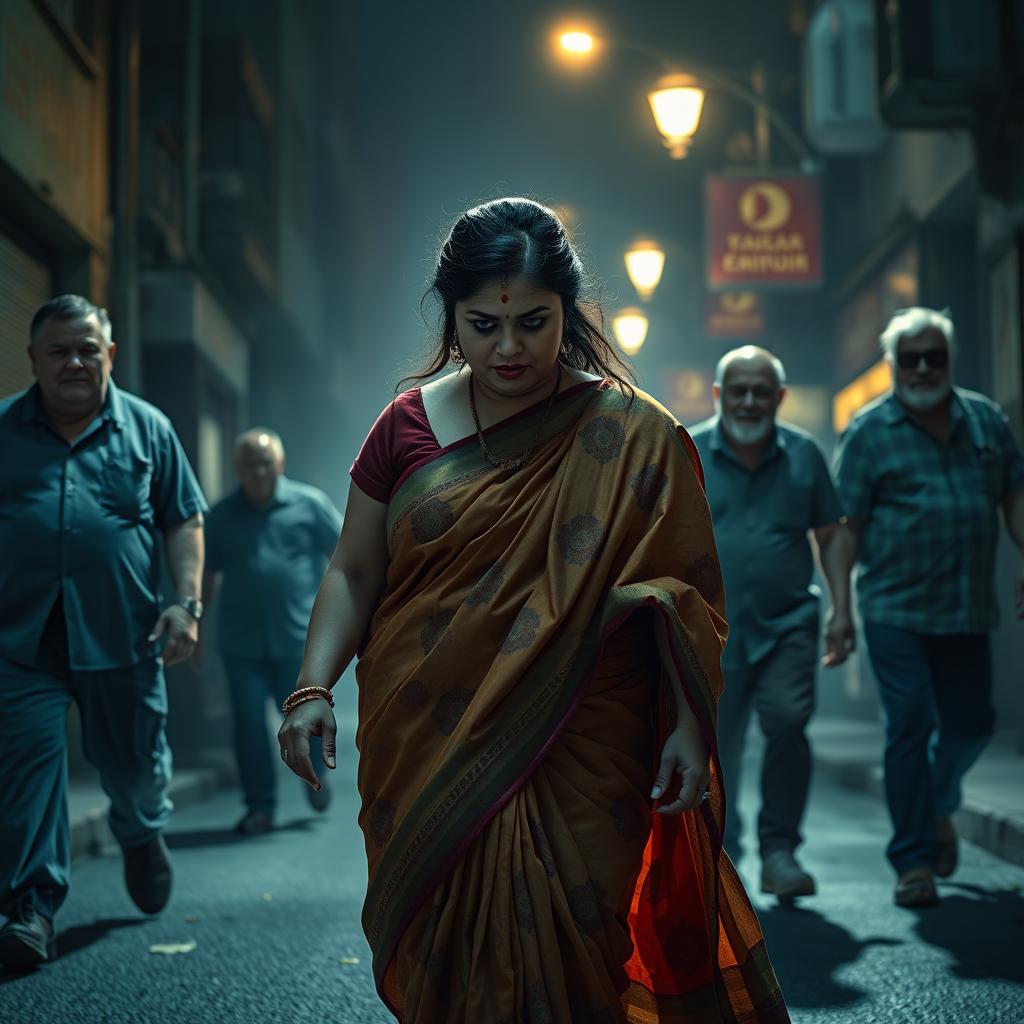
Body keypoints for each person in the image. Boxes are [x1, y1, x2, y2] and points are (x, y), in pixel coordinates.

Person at [277, 199, 790, 1022]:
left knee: (575, 946)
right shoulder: (403, 429)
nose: (507, 349)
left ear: (568, 311)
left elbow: (680, 595)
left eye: (533, 324)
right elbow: (354, 568)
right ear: (451, 315)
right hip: (427, 735)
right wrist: (311, 689)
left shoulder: (632, 435)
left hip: (585, 742)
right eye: (482, 325)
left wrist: (692, 726)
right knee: (453, 960)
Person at [0, 295, 206, 969]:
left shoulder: (148, 429)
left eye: (88, 349)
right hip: (20, 641)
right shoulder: (3, 429)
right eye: (59, 350)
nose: (75, 362)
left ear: (109, 354)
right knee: (28, 770)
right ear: (33, 359)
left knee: (135, 767)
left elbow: (183, 520)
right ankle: (31, 907)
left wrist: (185, 604)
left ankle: (141, 834)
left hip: (123, 636)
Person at [834, 306, 1024, 908]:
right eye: (908, 358)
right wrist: (840, 608)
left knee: (973, 726)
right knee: (910, 723)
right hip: (894, 609)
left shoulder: (986, 421)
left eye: (932, 357)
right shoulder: (869, 431)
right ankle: (913, 860)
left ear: (949, 361)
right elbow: (845, 529)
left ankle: (941, 803)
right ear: (892, 365)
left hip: (967, 607)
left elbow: (1014, 494)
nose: (921, 368)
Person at [690, 347, 852, 903]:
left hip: (788, 625)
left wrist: (841, 608)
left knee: (787, 724)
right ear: (719, 394)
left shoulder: (805, 455)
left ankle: (780, 852)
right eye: (739, 391)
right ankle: (723, 856)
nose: (750, 401)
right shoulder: (687, 451)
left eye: (762, 391)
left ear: (779, 397)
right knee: (720, 745)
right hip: (713, 629)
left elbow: (831, 534)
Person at [202, 428, 343, 834]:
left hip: (297, 640)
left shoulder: (309, 504)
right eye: (249, 465)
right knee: (248, 725)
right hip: (241, 644)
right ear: (237, 469)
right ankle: (259, 806)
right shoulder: (222, 515)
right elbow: (206, 576)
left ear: (279, 464)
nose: (258, 472)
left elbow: (346, 555)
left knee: (307, 718)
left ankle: (315, 772)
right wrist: (194, 626)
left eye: (265, 463)